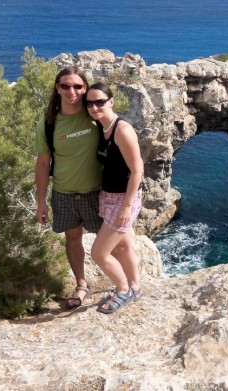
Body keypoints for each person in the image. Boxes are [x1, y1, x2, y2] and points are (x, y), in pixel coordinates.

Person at [34, 66, 102, 309]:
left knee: (113, 240)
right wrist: (41, 202)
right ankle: (81, 284)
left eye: (77, 86)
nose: (71, 91)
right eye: (65, 86)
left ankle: (123, 284)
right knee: (73, 239)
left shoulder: (95, 115)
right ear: (57, 88)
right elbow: (43, 164)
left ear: (85, 88)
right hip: (64, 193)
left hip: (97, 193)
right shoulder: (48, 124)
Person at [86, 82, 144, 314]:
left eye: (99, 101)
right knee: (123, 246)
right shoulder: (101, 128)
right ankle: (136, 288)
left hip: (123, 199)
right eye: (89, 103)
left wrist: (126, 206)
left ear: (111, 101)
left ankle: (122, 289)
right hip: (108, 196)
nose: (94, 106)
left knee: (99, 253)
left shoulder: (122, 130)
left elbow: (138, 169)